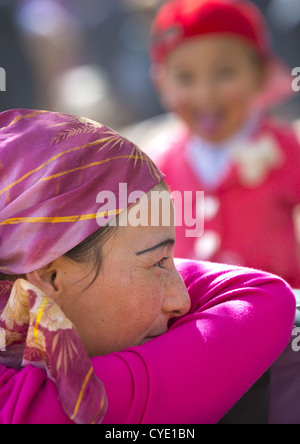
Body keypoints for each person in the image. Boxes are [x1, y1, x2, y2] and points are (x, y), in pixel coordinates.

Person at [0, 109, 296, 424]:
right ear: (50, 276)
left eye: (171, 259)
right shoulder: (58, 404)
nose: (181, 301)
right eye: (157, 263)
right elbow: (263, 296)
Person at [148, 0, 300, 288]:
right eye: (185, 78)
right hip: (198, 319)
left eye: (224, 73)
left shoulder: (284, 149)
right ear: (163, 83)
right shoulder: (159, 166)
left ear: (258, 74)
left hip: (280, 316)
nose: (205, 95)